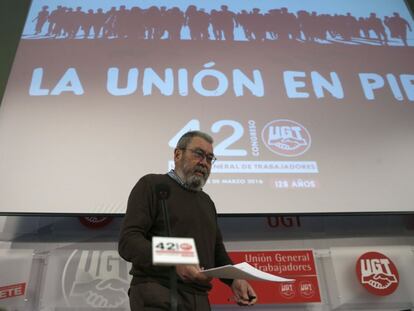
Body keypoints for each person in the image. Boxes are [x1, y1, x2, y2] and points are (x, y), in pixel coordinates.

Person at [119, 131, 257, 310]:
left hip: (199, 299)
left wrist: (234, 280)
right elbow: (128, 241)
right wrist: (175, 259)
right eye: (198, 154)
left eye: (209, 158)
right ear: (177, 154)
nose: (204, 163)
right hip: (158, 292)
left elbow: (216, 251)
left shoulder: (206, 202)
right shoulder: (152, 185)